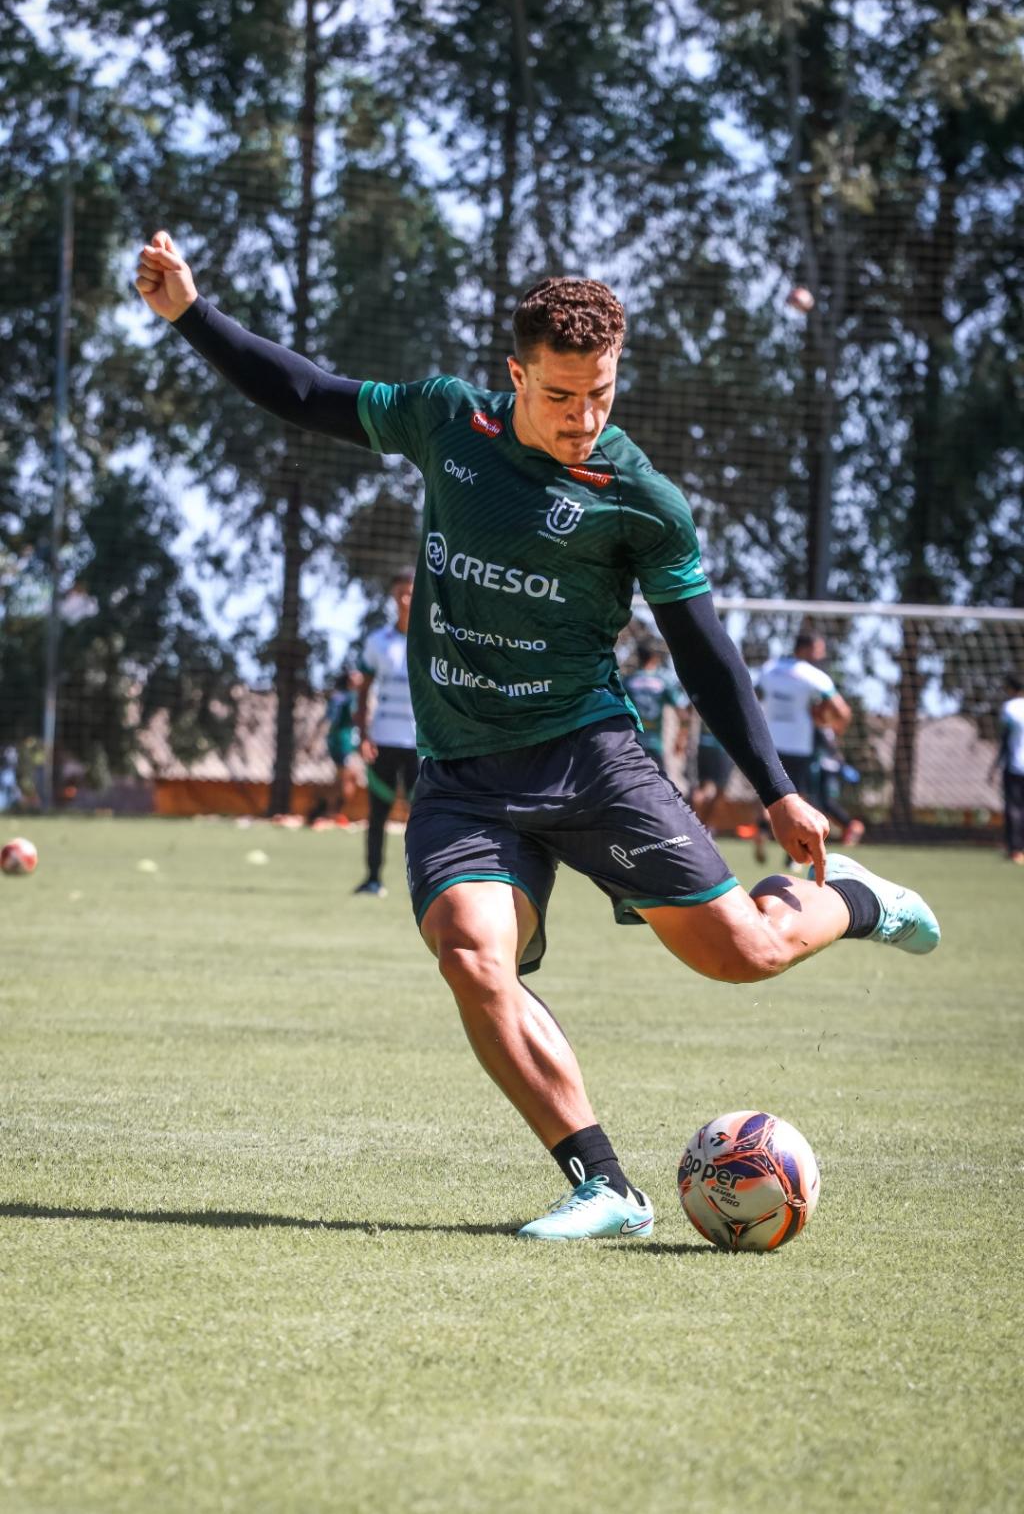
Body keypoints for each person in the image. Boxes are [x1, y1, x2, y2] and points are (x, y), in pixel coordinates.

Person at [136, 233, 941, 1242]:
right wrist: (189, 314)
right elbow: (307, 393)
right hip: (463, 774)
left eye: (600, 392)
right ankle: (604, 1185)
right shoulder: (446, 421)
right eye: (561, 395)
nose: (583, 416)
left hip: (588, 756)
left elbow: (703, 651)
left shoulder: (641, 500)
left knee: (743, 953)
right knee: (474, 958)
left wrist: (776, 787)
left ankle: (860, 898)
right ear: (515, 374)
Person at [755, 631, 853, 867]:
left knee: (765, 796)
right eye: (819, 649)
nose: (822, 655)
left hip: (769, 742)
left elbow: (751, 693)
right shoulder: (812, 675)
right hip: (799, 745)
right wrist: (832, 727)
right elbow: (843, 711)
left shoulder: (769, 668)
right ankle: (793, 856)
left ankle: (760, 831)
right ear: (806, 650)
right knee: (798, 798)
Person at [354, 568, 419, 897]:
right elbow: (363, 691)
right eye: (400, 594)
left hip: (420, 745)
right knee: (377, 814)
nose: (406, 600)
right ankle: (373, 877)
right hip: (383, 741)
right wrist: (363, 734)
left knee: (423, 817)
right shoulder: (378, 642)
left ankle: (425, 882)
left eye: (411, 592)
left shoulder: (434, 640)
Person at [621, 638, 687, 782]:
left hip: (632, 743)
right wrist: (681, 738)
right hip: (655, 744)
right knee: (659, 785)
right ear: (655, 657)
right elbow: (683, 713)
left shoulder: (628, 681)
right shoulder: (663, 681)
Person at [319, 666, 364, 825]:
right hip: (345, 740)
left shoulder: (337, 696)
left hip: (334, 740)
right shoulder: (352, 697)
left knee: (340, 778)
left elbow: (327, 719)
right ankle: (337, 814)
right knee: (349, 778)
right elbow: (356, 717)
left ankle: (331, 813)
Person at [992, 673, 1024, 863]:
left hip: (1014, 766)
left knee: (1014, 808)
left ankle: (1015, 849)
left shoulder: (1010, 708)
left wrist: (995, 765)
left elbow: (1005, 739)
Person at [690, 721, 734, 833]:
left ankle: (701, 825)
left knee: (709, 789)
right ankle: (699, 826)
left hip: (705, 744)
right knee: (714, 790)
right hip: (721, 747)